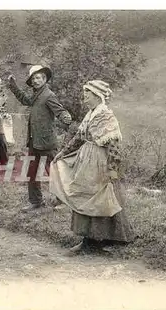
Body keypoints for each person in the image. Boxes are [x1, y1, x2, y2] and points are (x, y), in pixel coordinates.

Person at [50, 80, 135, 255]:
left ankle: (97, 240)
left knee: (100, 196)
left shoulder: (105, 116)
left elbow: (114, 146)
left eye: (87, 93)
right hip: (87, 160)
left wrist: (112, 169)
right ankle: (89, 238)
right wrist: (63, 152)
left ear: (97, 96)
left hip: (99, 161)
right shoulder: (90, 114)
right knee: (86, 196)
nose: (84, 97)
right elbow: (79, 137)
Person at [7, 65, 72, 212]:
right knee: (32, 172)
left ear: (44, 79)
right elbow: (25, 100)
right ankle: (36, 202)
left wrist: (65, 117)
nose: (35, 81)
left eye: (38, 78)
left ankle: (63, 202)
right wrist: (13, 86)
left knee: (54, 173)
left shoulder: (49, 95)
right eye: (33, 78)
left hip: (47, 142)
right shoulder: (36, 95)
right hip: (34, 142)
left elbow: (60, 111)